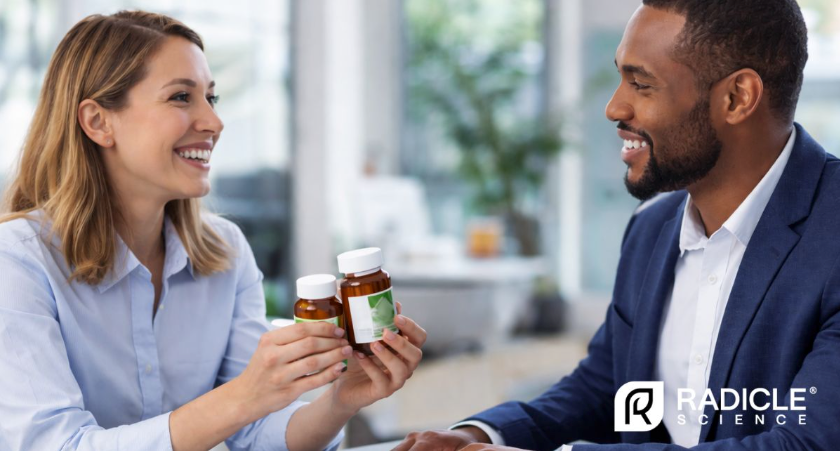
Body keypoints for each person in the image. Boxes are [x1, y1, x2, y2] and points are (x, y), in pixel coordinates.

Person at [397, 0, 840, 450]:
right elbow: (608, 387)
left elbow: (809, 444)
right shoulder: (652, 229)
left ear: (736, 97)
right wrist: (478, 436)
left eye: (641, 84)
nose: (613, 107)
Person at [0, 11, 425, 451]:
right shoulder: (17, 262)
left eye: (211, 98)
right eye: (182, 97)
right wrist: (243, 397)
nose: (213, 122)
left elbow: (254, 436)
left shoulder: (225, 251)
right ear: (98, 122)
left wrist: (340, 400)